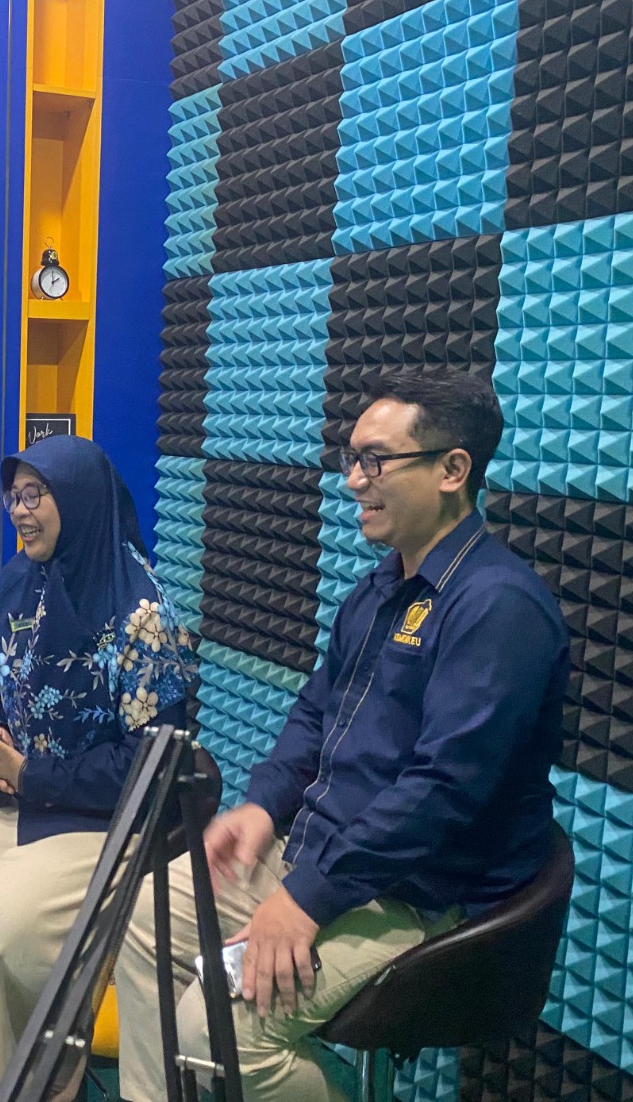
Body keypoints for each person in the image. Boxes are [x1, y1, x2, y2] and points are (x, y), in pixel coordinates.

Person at [115, 370, 570, 1102]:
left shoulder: (498, 608)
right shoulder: (381, 588)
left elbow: (442, 793)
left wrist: (306, 898)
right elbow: (315, 713)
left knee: (215, 1030)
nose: (355, 479)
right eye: (353, 458)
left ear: (453, 470)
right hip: (331, 859)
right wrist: (264, 805)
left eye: (376, 460)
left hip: (421, 895)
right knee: (143, 921)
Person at [0, 434, 199, 1102]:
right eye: (15, 497)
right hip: (12, 794)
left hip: (99, 816)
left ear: (78, 499)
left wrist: (35, 777)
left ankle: (33, 1084)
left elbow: (153, 760)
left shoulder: (141, 613)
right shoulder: (14, 583)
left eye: (37, 495)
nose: (20, 511)